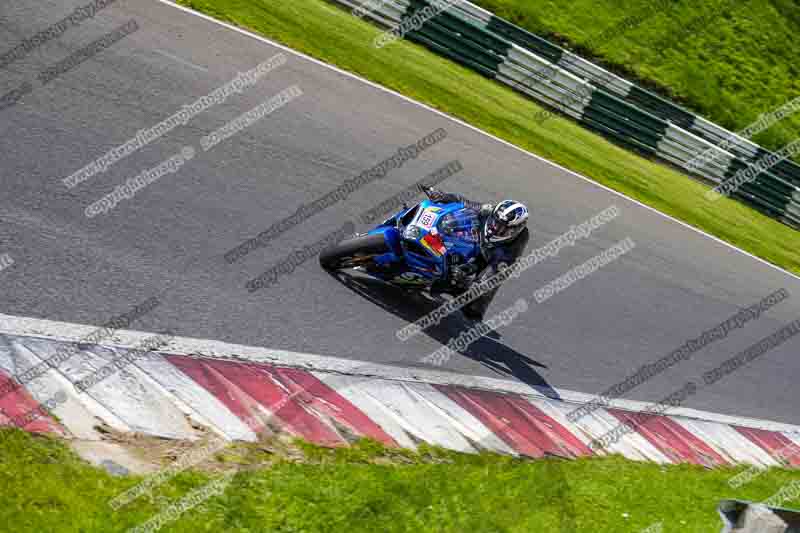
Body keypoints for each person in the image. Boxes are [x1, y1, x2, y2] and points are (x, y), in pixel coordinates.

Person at [421, 185, 529, 321]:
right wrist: (443, 196)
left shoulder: (511, 248)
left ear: (514, 231)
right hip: (478, 242)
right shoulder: (491, 210)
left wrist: (466, 281)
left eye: (501, 229)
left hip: (492, 259)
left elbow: (492, 276)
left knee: (475, 303)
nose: (494, 229)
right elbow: (465, 203)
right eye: (495, 223)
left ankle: (469, 304)